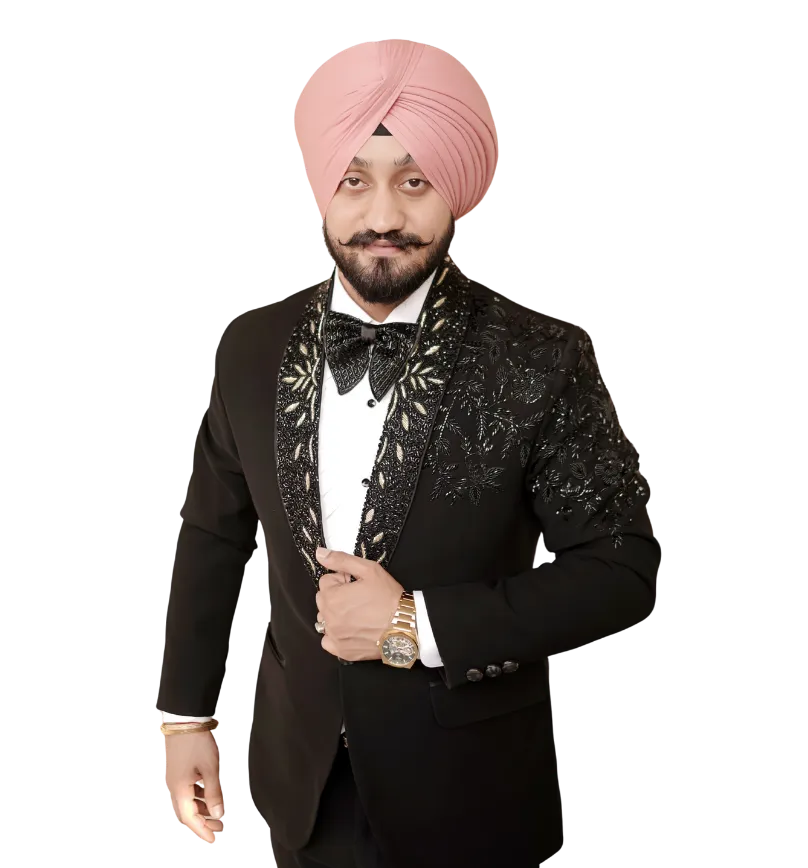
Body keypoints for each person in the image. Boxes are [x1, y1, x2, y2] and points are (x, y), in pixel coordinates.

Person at [157, 39, 661, 867]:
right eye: (355, 180)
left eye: (415, 180)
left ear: (456, 188)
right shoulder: (248, 347)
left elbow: (623, 570)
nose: (384, 216)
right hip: (298, 787)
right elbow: (215, 537)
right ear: (321, 182)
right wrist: (185, 720)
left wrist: (412, 626)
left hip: (475, 800)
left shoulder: (543, 358)